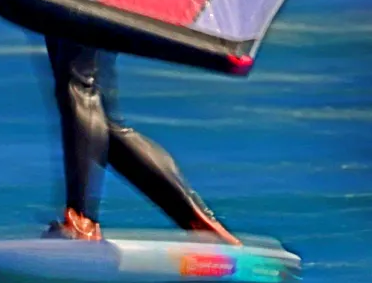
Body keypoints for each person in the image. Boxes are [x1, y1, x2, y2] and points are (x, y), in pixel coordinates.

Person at [43, 38, 241, 246]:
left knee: (77, 85)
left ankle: (81, 223)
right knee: (98, 116)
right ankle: (198, 221)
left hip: (90, 4)